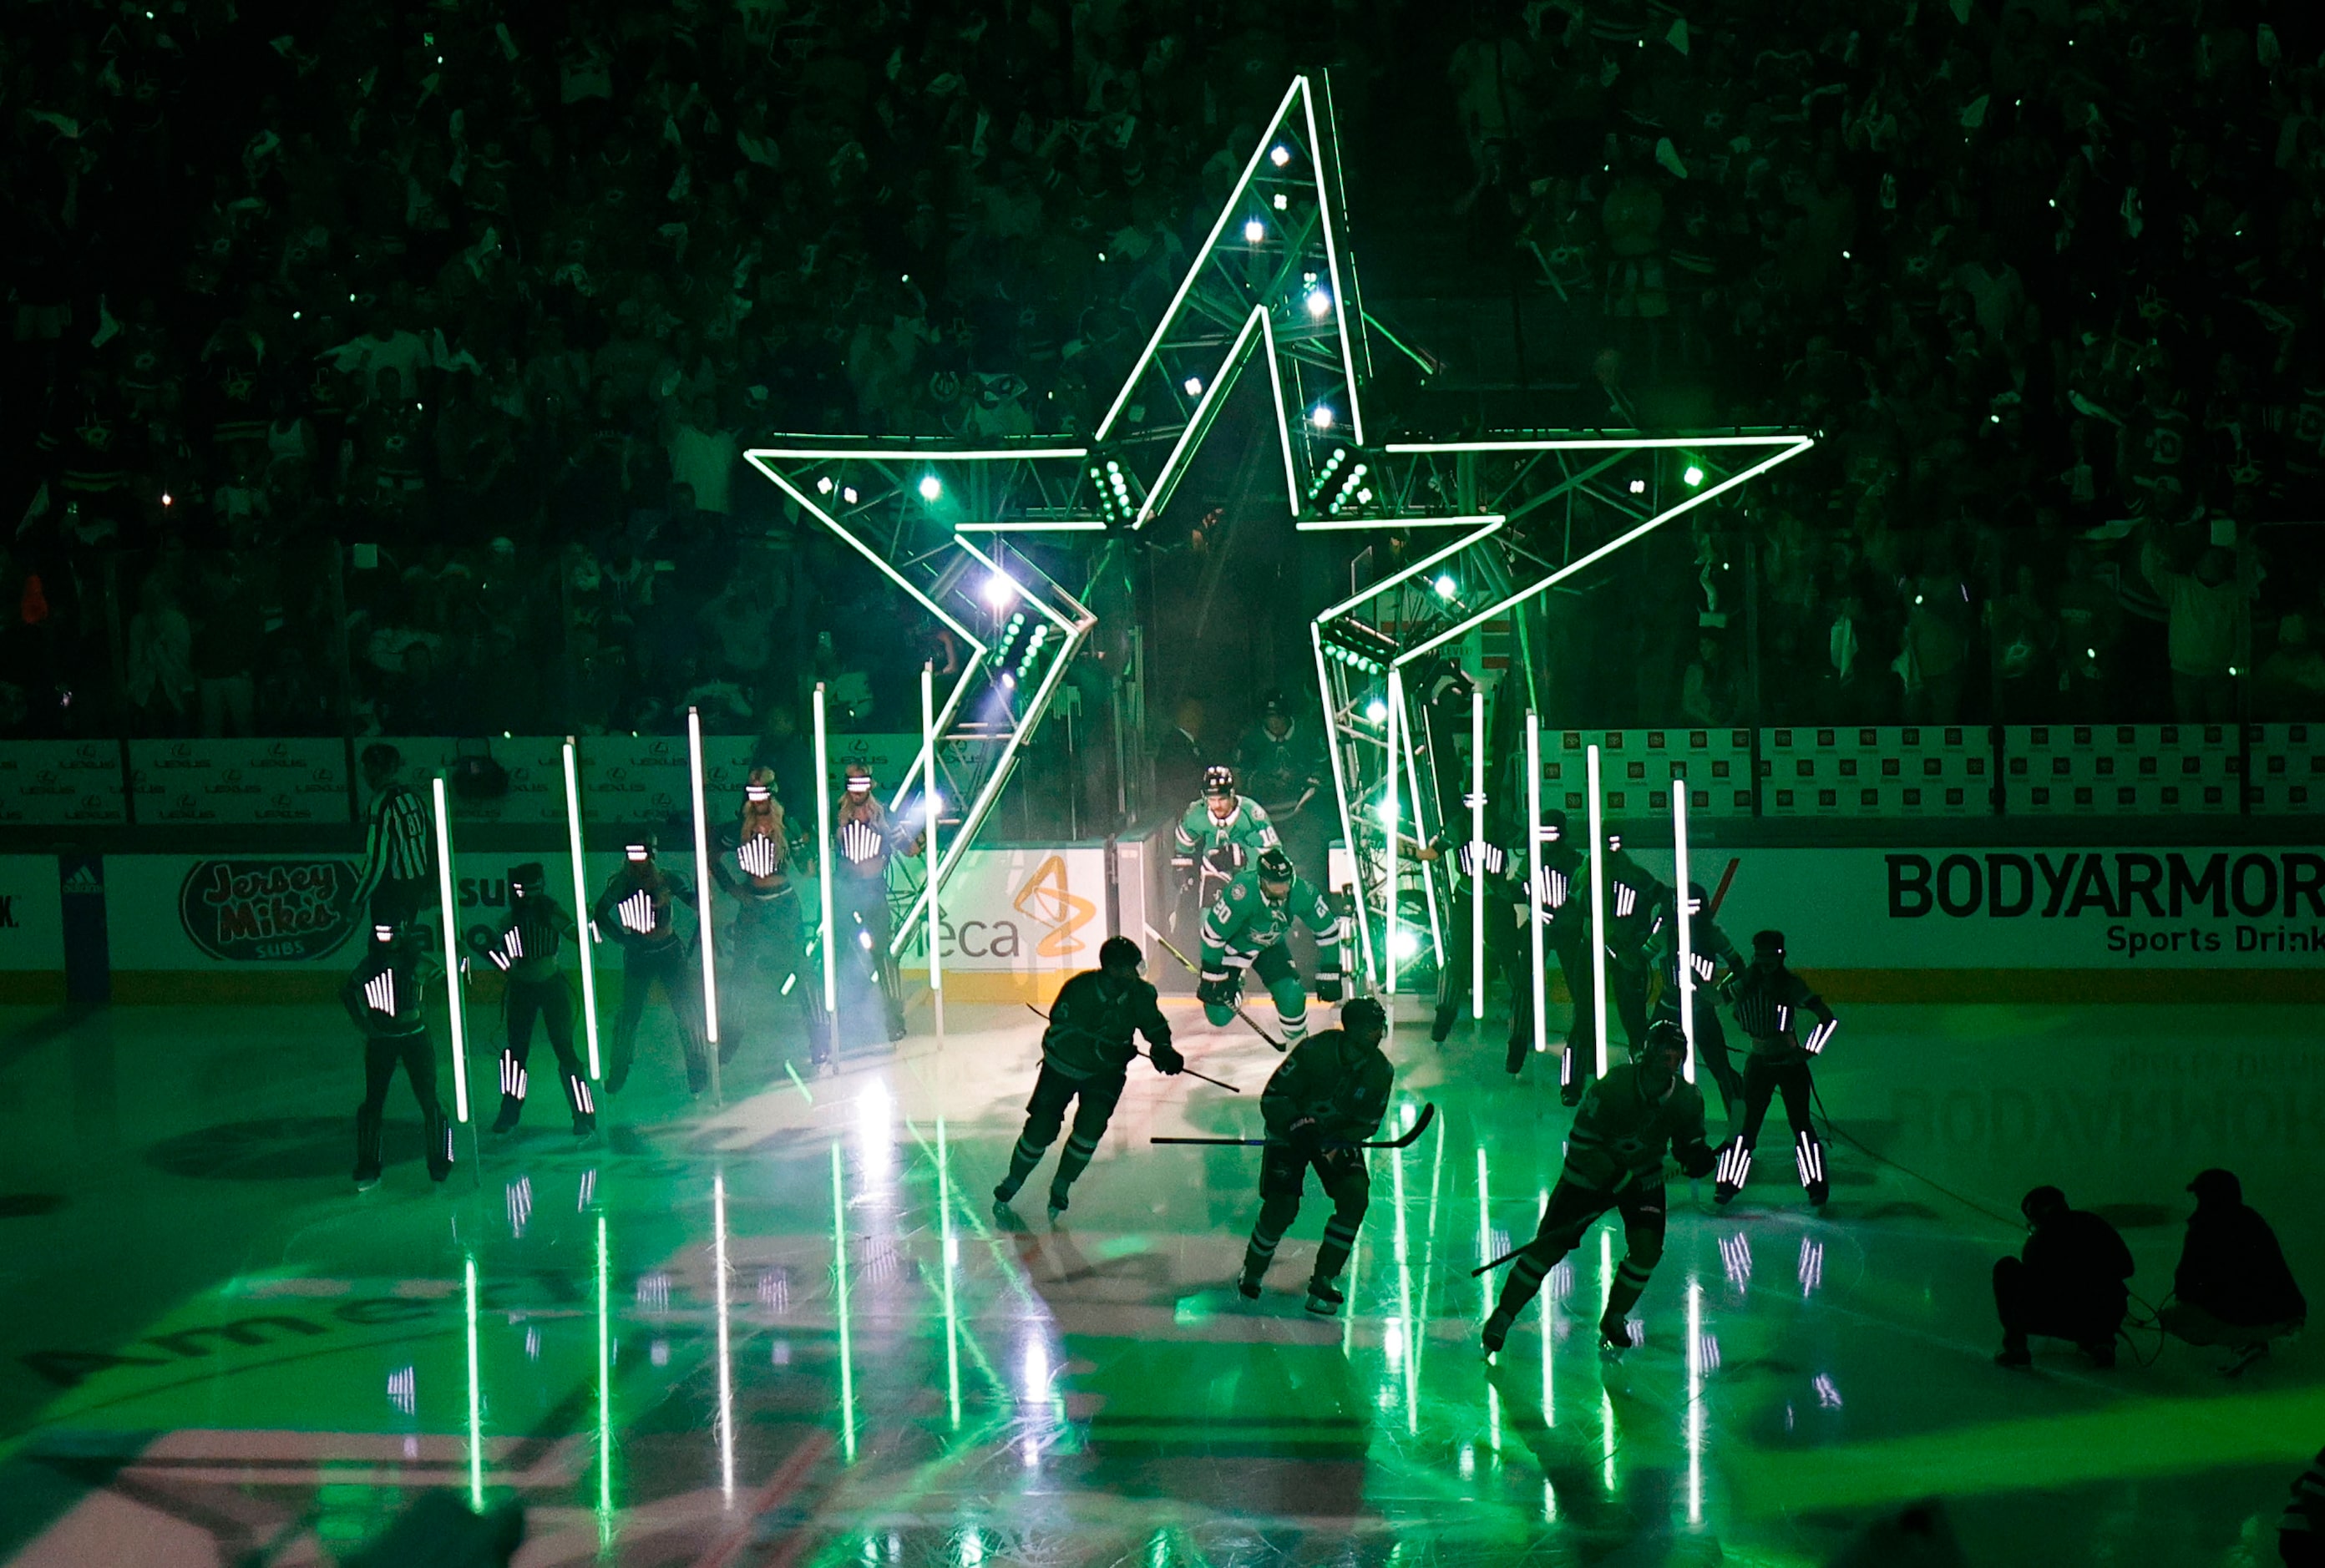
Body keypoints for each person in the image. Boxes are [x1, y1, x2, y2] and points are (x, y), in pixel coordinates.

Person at [1482, 1021, 1715, 1355]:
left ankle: (1615, 1316)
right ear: (1647, 1055)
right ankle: (1504, 1315)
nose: (1668, 1062)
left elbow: (1687, 1143)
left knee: (1647, 1250)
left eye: (1674, 1056)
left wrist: (1696, 1154)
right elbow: (1581, 1144)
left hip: (1642, 1177)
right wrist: (1620, 1182)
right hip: (1589, 1177)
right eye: (1662, 1054)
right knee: (1548, 1248)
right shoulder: (1614, 1087)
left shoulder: (1688, 1098)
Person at [993, 936, 1185, 1219]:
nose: (1137, 974)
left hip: (1106, 1075)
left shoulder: (1141, 994)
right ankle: (1014, 1178)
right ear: (1112, 970)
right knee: (1041, 1129)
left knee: (1091, 1126)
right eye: (1131, 968)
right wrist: (1101, 1050)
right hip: (1061, 1069)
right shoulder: (1078, 990)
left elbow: (1153, 1025)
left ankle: (1062, 1183)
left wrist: (1164, 1049)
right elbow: (1060, 1036)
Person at [1236, 996, 1393, 1317]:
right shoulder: (1314, 1052)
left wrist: (1335, 1136)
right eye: (1370, 1027)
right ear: (1351, 1028)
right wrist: (1297, 1123)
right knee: (1282, 1206)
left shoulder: (1380, 1072)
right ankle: (1252, 1271)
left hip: (1332, 1139)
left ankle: (1324, 1278)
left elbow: (1367, 1124)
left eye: (1380, 1027)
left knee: (1355, 1196)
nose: (1377, 1033)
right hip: (1288, 1135)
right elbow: (1274, 1097)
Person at [1713, 930, 1838, 1207]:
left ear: (1781, 956)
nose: (1765, 963)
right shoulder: (1744, 981)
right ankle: (1727, 1185)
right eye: (1761, 957)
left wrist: (1808, 1051)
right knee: (1747, 1126)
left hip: (1785, 1062)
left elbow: (1827, 1018)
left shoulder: (1790, 985)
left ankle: (1816, 1186)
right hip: (1761, 1062)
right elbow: (1717, 999)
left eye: (1771, 957)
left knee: (1801, 1125)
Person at [714, 768, 829, 1068]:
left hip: (782, 903)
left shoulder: (787, 825)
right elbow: (711, 853)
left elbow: (806, 865)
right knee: (740, 972)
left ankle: (820, 1036)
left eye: (763, 795)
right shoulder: (739, 827)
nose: (759, 802)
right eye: (754, 796)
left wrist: (811, 857)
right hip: (753, 903)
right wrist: (730, 887)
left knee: (802, 969)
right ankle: (730, 1038)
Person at [590, 833, 712, 1096]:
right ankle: (618, 1070)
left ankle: (698, 1070)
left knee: (686, 1011)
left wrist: (702, 897)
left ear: (651, 856)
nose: (638, 863)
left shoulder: (668, 879)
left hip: (669, 950)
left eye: (642, 857)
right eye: (633, 857)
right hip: (639, 952)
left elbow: (695, 903)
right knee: (629, 1015)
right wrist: (622, 938)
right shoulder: (621, 884)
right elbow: (600, 912)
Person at [2159, 1168, 2307, 1373]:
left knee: (2171, 1318)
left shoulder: (2204, 1227)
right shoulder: (2252, 1219)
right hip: (2288, 1314)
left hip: (2252, 1316)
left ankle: (2244, 1342)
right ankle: (2257, 1337)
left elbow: (2185, 1283)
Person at [342, 918, 453, 1190]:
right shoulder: (370, 965)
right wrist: (361, 1021)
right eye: (381, 933)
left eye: (391, 933)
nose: (387, 940)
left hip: (414, 1036)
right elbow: (347, 991)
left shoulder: (418, 963)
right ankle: (368, 1164)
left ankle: (440, 1160)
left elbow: (449, 985)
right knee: (374, 1101)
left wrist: (458, 965)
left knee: (428, 1099)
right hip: (382, 1038)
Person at [485, 862, 595, 1136]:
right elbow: (499, 954)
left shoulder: (551, 912)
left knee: (564, 1049)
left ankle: (584, 1113)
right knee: (516, 1052)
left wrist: (589, 923)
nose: (527, 897)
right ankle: (509, 1112)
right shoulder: (509, 919)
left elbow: (583, 939)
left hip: (549, 986)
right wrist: (489, 952)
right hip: (522, 987)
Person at [1198, 847, 1345, 1050]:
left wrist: (1330, 969)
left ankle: (1300, 1049)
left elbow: (1328, 930)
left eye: (1285, 883)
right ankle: (1237, 985)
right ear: (1261, 880)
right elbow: (1213, 934)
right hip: (1234, 949)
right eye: (1275, 884)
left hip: (1270, 946)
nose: (1282, 890)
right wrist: (1212, 975)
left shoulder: (1302, 891)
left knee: (1292, 994)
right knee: (1219, 1016)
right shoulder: (1242, 892)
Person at [1993, 1186, 2135, 1368]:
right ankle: (2101, 1341)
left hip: (2055, 1315)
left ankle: (2016, 1346)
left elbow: (2032, 1282)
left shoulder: (2038, 1241)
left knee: (2006, 1267)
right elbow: (2127, 1268)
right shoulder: (2093, 1223)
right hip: (2100, 1314)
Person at [1641, 882, 1746, 1119]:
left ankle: (1740, 1124)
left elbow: (1740, 969)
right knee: (1650, 1063)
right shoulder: (1667, 933)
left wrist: (1721, 993)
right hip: (1670, 1010)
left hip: (1698, 1010)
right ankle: (1648, 1116)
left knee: (1721, 1068)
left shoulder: (1711, 935)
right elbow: (1639, 961)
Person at [831, 767, 920, 1042]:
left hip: (873, 887)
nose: (857, 791)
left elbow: (911, 849)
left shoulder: (883, 815)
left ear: (870, 785)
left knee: (883, 953)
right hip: (845, 889)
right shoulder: (834, 815)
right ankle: (842, 1015)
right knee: (839, 952)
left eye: (862, 784)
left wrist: (922, 831)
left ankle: (895, 1017)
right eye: (853, 785)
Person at [1173, 764, 1279, 936]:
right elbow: (1184, 841)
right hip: (1214, 872)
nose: (1216, 805)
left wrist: (1242, 856)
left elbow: (1275, 856)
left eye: (1221, 799)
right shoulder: (1196, 813)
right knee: (1210, 923)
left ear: (1232, 794)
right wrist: (1183, 868)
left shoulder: (1252, 814)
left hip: (1249, 875)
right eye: (1211, 799)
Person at [351, 743, 436, 926]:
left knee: (384, 948)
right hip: (415, 887)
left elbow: (377, 859)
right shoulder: (414, 798)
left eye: (366, 768)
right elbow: (432, 843)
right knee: (403, 941)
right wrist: (429, 886)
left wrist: (358, 900)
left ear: (374, 769)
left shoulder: (382, 804)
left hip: (391, 892)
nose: (364, 774)